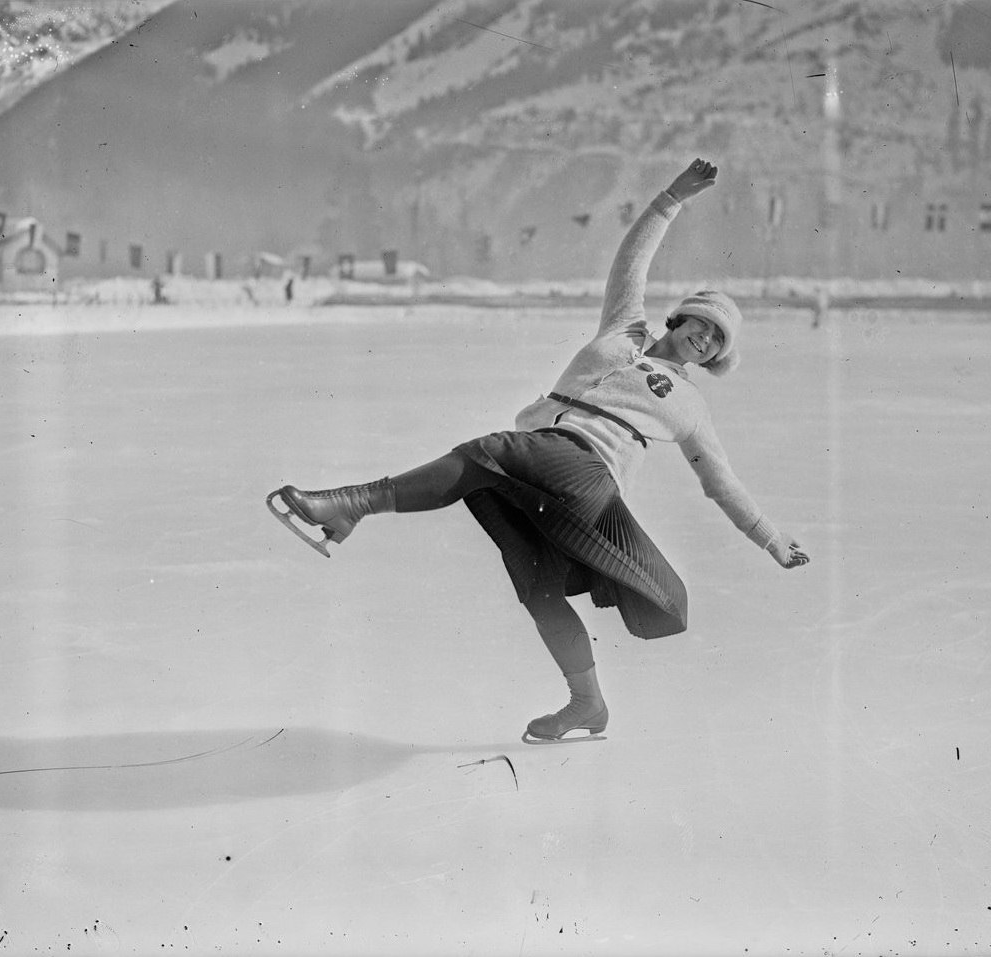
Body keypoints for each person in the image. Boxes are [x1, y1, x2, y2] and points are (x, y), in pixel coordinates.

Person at [267, 158, 810, 743]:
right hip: (546, 461)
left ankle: (351, 504)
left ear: (714, 359)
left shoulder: (689, 404)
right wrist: (671, 198)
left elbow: (720, 482)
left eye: (715, 342)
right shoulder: (624, 329)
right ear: (682, 318)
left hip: (586, 473)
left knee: (492, 451)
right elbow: (632, 260)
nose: (703, 339)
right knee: (536, 588)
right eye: (702, 324)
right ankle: (587, 704)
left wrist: (773, 540)